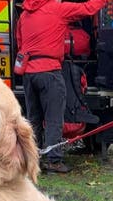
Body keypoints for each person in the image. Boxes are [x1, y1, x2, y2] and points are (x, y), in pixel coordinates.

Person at [15, 0, 108, 174]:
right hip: (50, 71)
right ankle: (54, 161)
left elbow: (20, 43)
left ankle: (33, 159)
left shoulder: (24, 15)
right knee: (54, 118)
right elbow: (87, 8)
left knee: (33, 118)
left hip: (29, 73)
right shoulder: (57, 9)